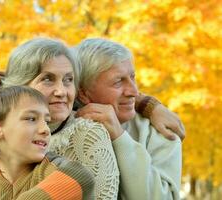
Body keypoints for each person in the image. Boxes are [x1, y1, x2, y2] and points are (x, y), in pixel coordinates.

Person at [3, 38, 120, 199]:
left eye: (68, 80)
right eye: (47, 79)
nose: (61, 91)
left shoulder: (88, 135)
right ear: (20, 86)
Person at [75, 38, 182, 199]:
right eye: (118, 82)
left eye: (133, 77)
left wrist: (120, 138)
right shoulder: (58, 125)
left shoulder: (161, 131)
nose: (134, 91)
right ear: (83, 93)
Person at [0, 85, 95, 200]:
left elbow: (83, 177)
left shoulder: (53, 169)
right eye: (31, 119)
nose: (45, 130)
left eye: (46, 121)